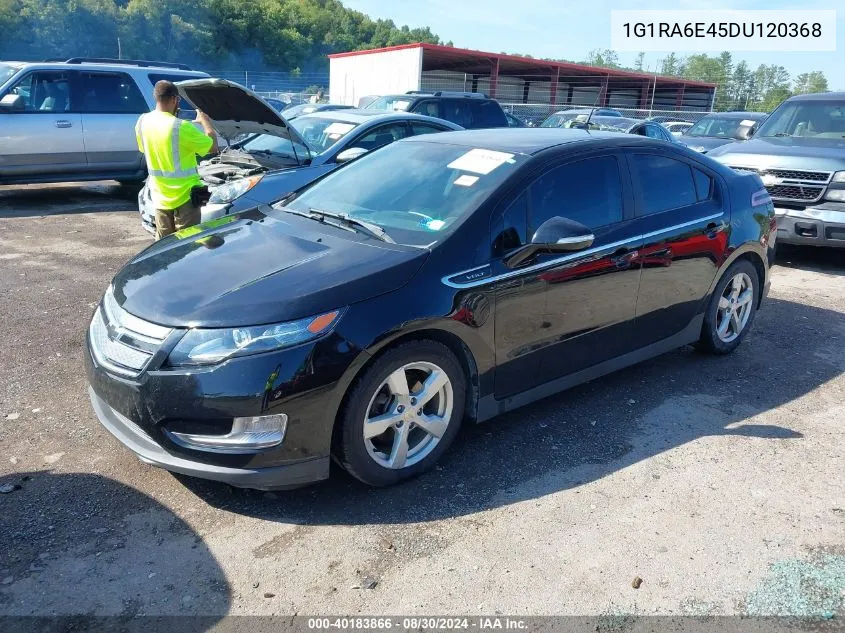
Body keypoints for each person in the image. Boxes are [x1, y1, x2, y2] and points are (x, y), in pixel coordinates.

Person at [135, 80, 217, 240]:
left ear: (156, 98)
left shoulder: (143, 121)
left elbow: (147, 149)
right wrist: (206, 123)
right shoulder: (181, 127)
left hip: (159, 196)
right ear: (175, 99)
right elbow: (213, 147)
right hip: (186, 198)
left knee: (164, 245)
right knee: (187, 244)